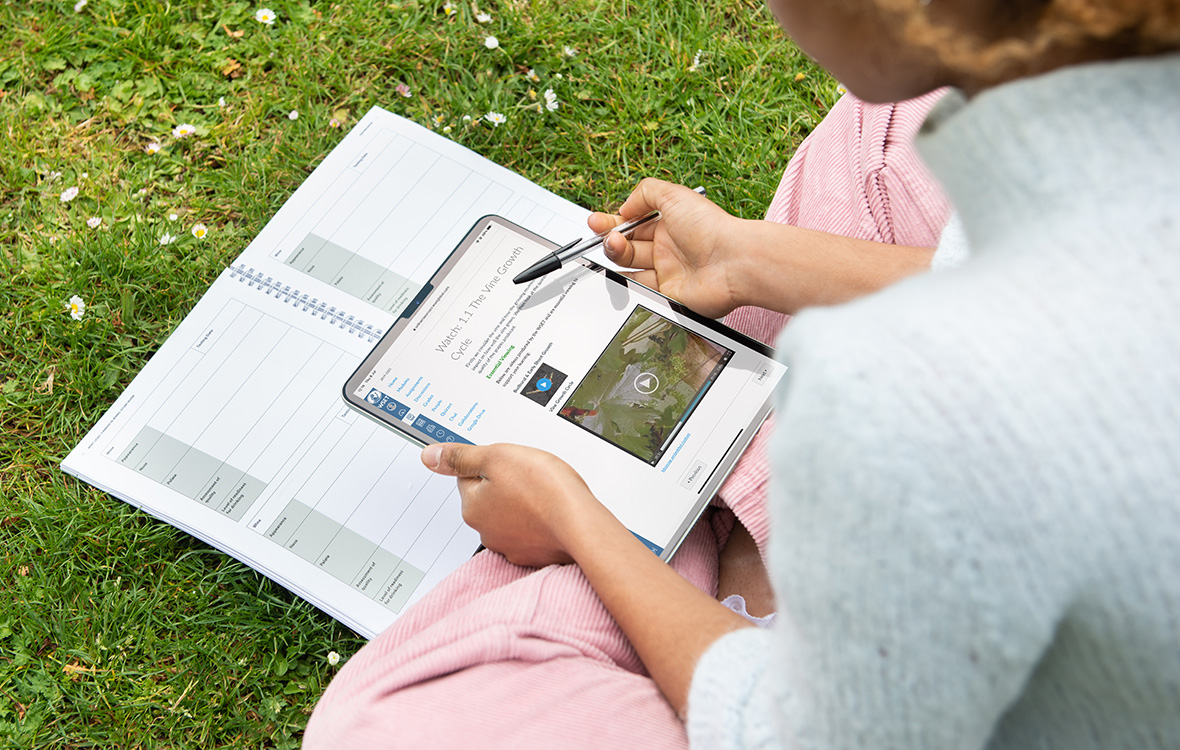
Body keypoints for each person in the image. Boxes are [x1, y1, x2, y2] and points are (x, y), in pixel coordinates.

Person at [305, 0, 1180, 746]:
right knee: (879, 148)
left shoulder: (911, 390)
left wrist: (572, 520)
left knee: (384, 724)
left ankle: (708, 555)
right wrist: (743, 258)